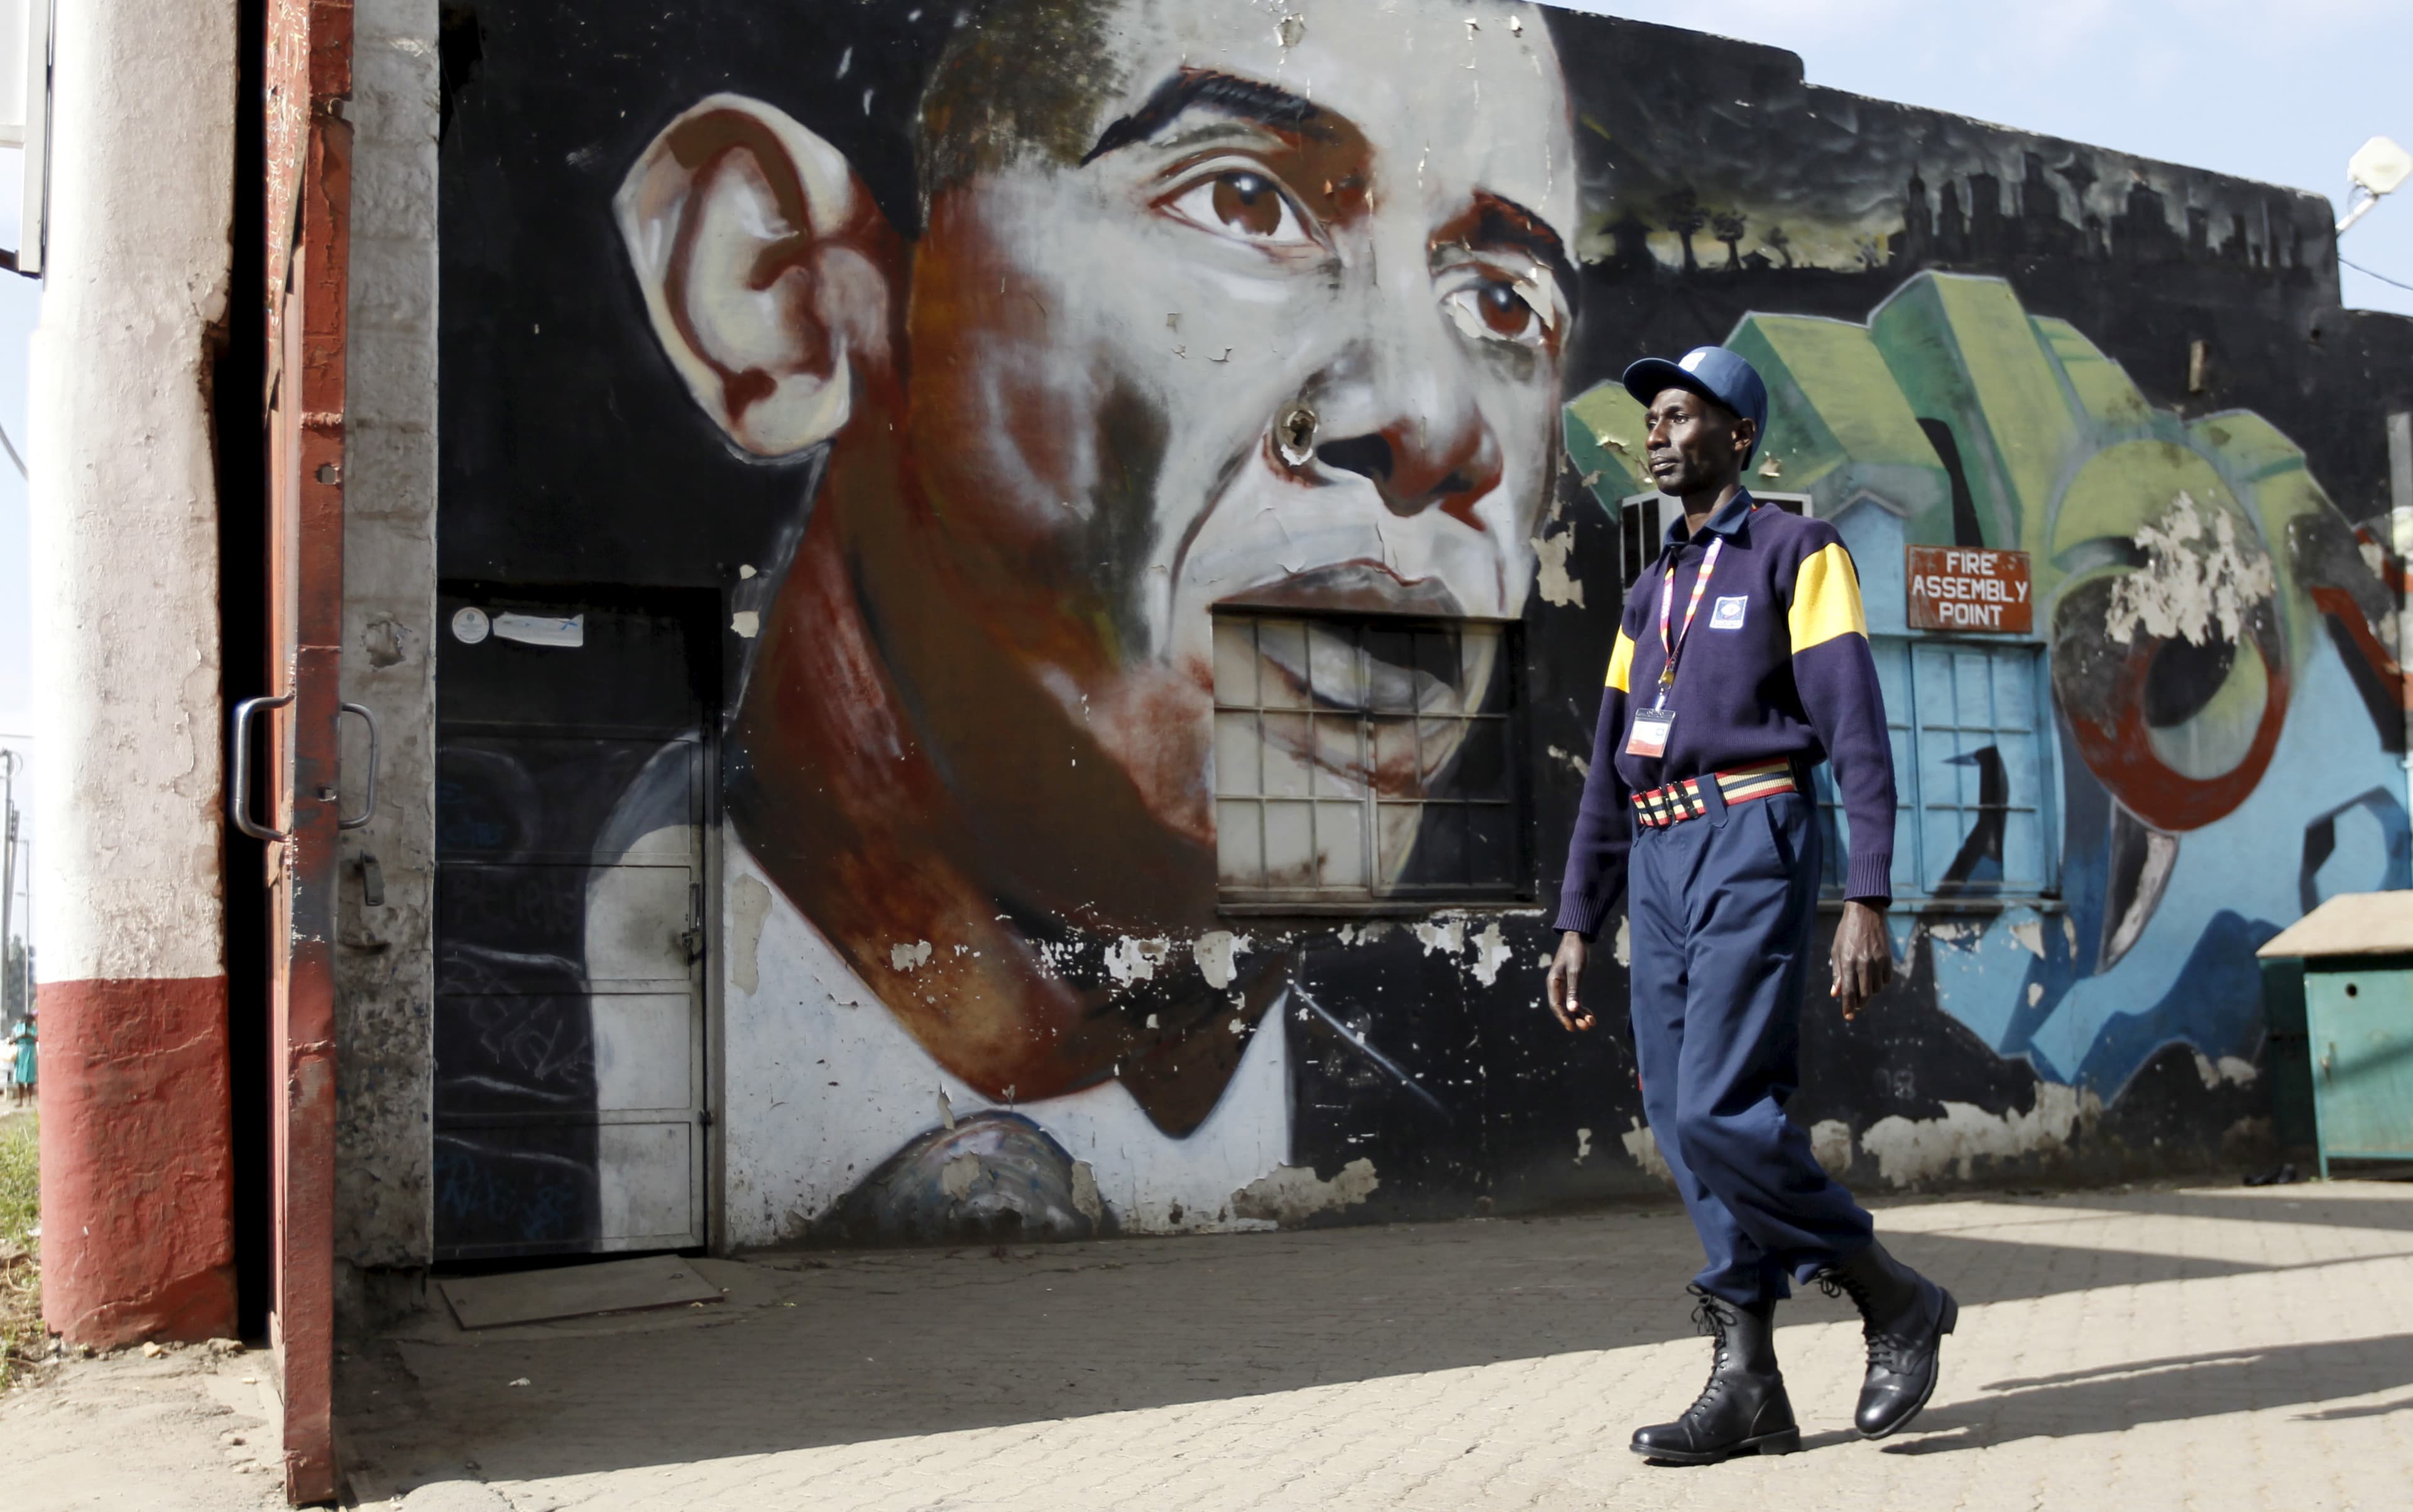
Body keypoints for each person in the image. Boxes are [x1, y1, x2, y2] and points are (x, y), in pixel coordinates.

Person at [609, 0, 1583, 1232]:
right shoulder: (504, 1081)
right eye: (1244, 203)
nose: (1436, 427)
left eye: (1503, 305)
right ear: (783, 298)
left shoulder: (1441, 1142)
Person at [1545, 346, 1957, 1463]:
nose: (1660, 434)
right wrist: (1581, 919)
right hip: (1660, 854)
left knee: (1728, 1107)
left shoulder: (1797, 551)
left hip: (1754, 834)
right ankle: (1750, 1384)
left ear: (1740, 435)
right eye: (1655, 420)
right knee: (1687, 1123)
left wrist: (1865, 894)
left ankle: (1892, 1297)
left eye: (1682, 415)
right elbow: (1604, 773)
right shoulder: (1650, 590)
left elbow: (1856, 730)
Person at [6, 1016, 30, 1107]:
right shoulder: (16, 1029)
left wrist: (28, 1035)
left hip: (30, 1053)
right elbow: (11, 1041)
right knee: (20, 1077)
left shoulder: (33, 1029)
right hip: (20, 1054)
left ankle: (29, 1100)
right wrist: (19, 1037)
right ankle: (21, 1101)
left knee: (30, 1078)